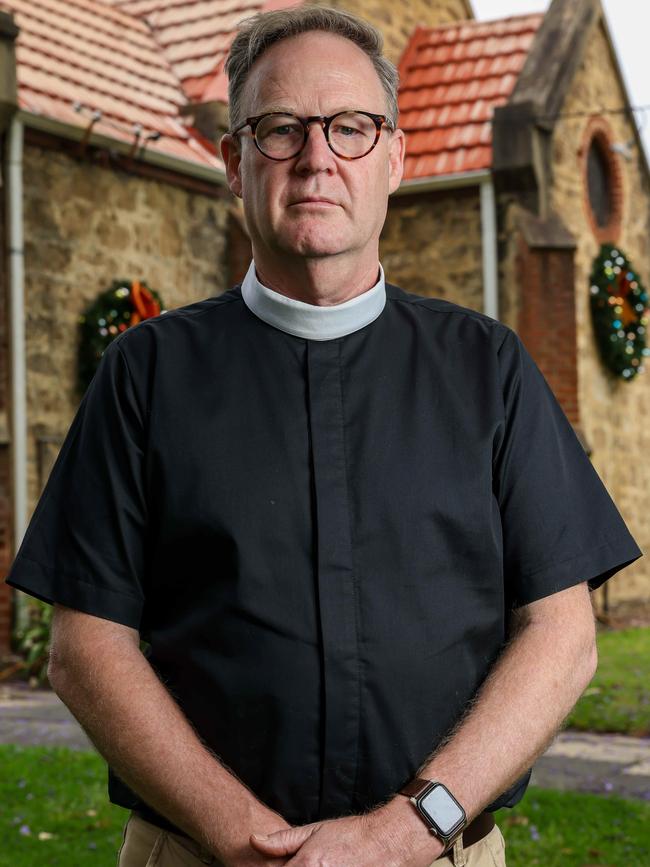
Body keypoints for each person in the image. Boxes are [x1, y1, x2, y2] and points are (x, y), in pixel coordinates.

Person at [4, 5, 643, 867]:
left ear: (393, 157)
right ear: (234, 163)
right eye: (279, 130)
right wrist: (246, 837)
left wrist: (407, 828)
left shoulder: (487, 367)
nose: (317, 159)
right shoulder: (145, 373)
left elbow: (562, 640)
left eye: (349, 128)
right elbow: (86, 650)